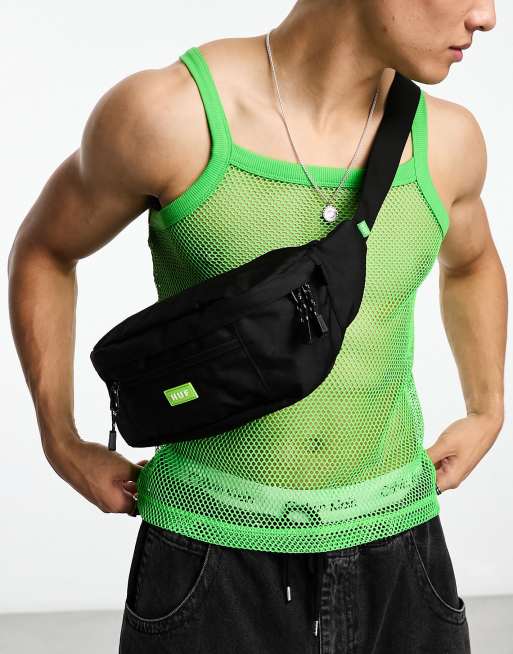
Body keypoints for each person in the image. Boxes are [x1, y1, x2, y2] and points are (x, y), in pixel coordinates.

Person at [7, 1, 504, 652]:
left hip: (401, 549)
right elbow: (45, 252)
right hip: (209, 555)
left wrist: (487, 407)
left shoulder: (449, 141)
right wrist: (60, 439)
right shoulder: (170, 116)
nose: (486, 15)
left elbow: (471, 263)